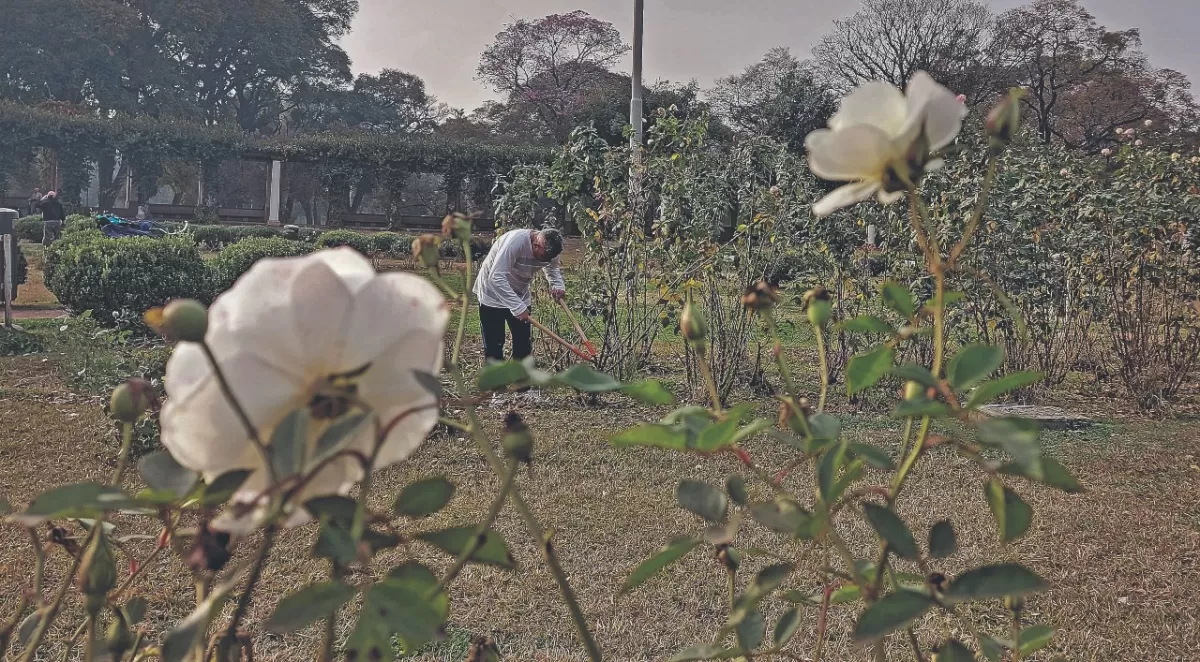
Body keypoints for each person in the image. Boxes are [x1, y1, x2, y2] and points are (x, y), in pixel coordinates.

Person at [472, 227, 566, 364]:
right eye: (543, 257)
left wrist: (557, 286)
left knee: (523, 346)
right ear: (536, 244)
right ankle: (498, 384)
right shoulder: (515, 242)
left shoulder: (551, 250)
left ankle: (522, 384)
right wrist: (517, 306)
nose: (545, 261)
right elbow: (496, 277)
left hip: (519, 294)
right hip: (491, 294)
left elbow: (552, 268)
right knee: (494, 345)